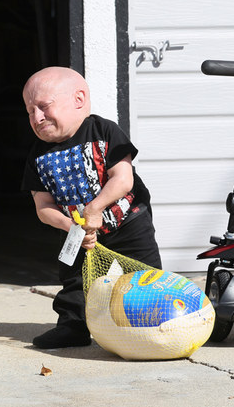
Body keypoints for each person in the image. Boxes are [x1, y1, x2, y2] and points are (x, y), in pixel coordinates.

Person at [21, 66, 162, 349]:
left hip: (127, 221)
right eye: (29, 111)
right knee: (75, 280)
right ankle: (73, 326)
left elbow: (122, 179)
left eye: (44, 107)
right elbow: (43, 206)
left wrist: (95, 209)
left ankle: (153, 321)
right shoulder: (38, 154)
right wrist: (69, 226)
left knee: (143, 275)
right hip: (77, 230)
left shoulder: (103, 130)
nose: (37, 117)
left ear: (78, 99)